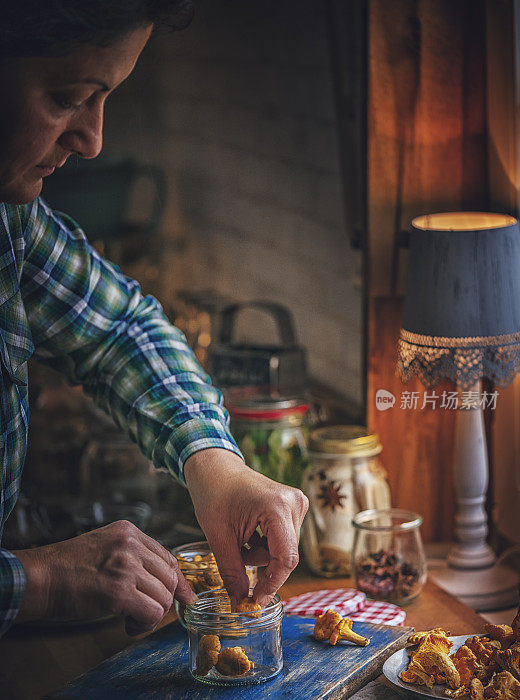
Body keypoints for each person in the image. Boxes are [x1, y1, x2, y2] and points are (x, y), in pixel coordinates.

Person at [0, 0, 307, 637]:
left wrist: (215, 464)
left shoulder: (9, 219)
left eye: (104, 98)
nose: (92, 140)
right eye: (66, 96)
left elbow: (118, 331)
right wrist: (41, 578)